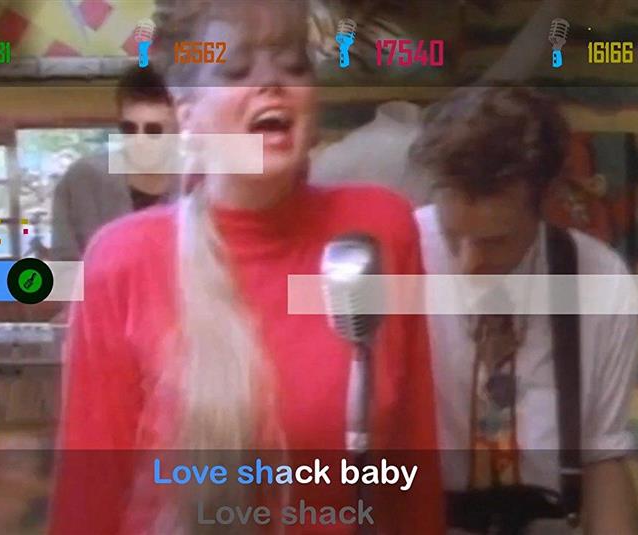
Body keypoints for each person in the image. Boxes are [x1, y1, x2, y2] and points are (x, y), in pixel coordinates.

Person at [49, 2, 444, 533]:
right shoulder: (122, 260)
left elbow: (413, 466)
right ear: (187, 114)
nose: (272, 83)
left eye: (294, 65)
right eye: (236, 70)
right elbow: (88, 497)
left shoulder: (379, 229)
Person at [409, 87, 638, 534]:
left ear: (547, 199)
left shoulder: (601, 281)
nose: (468, 263)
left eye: (495, 241)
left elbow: (603, 457)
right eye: (453, 234)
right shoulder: (397, 256)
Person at [50, 68, 178, 260]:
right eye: (129, 128)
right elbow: (64, 265)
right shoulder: (83, 181)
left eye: (154, 130)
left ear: (177, 127)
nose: (139, 140)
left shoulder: (201, 187)